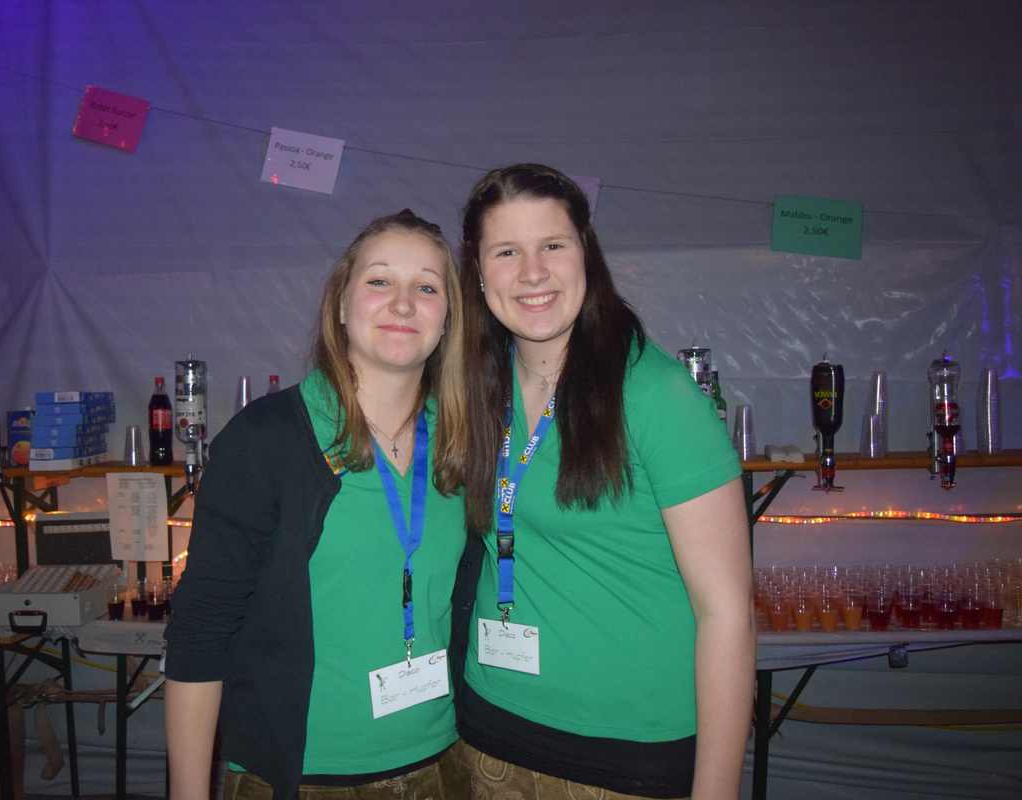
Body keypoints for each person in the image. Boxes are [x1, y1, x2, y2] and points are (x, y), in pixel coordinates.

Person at [453, 164, 755, 800]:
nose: (532, 272)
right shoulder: (473, 385)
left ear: (586, 254)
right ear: (477, 273)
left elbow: (727, 613)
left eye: (552, 245)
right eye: (506, 252)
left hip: (627, 757)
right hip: (490, 734)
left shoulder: (656, 396)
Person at [164, 209, 471, 800]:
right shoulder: (267, 440)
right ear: (341, 305)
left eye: (427, 287)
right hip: (301, 780)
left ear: (448, 318)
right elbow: (201, 630)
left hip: (442, 767)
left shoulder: (464, 443)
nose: (403, 303)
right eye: (379, 280)